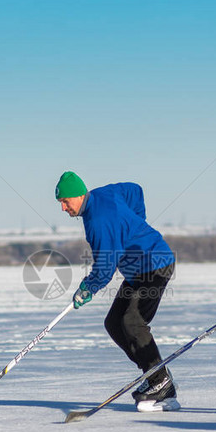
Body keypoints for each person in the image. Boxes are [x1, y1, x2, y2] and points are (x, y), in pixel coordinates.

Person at [56, 171, 179, 412]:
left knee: (133, 323)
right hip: (136, 271)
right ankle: (156, 376)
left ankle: (160, 381)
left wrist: (86, 289)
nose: (63, 208)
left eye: (65, 202)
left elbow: (105, 268)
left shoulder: (98, 222)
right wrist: (136, 223)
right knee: (114, 323)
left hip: (155, 265)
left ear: (80, 196)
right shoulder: (105, 193)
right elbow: (135, 189)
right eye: (60, 203)